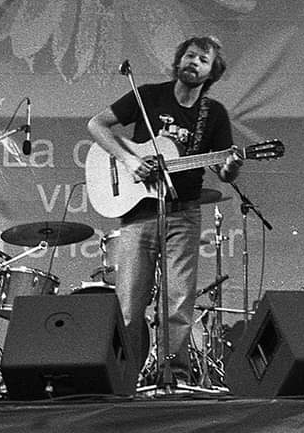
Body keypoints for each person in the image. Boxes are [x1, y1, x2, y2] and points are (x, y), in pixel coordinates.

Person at [86, 35, 242, 387]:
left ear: (211, 72)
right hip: (139, 213)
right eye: (189, 55)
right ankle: (125, 380)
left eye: (203, 59)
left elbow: (223, 170)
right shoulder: (148, 96)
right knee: (129, 305)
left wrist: (232, 166)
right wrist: (128, 159)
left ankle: (174, 378)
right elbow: (96, 124)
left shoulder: (212, 114)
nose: (194, 62)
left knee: (176, 305)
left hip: (183, 215)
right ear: (178, 60)